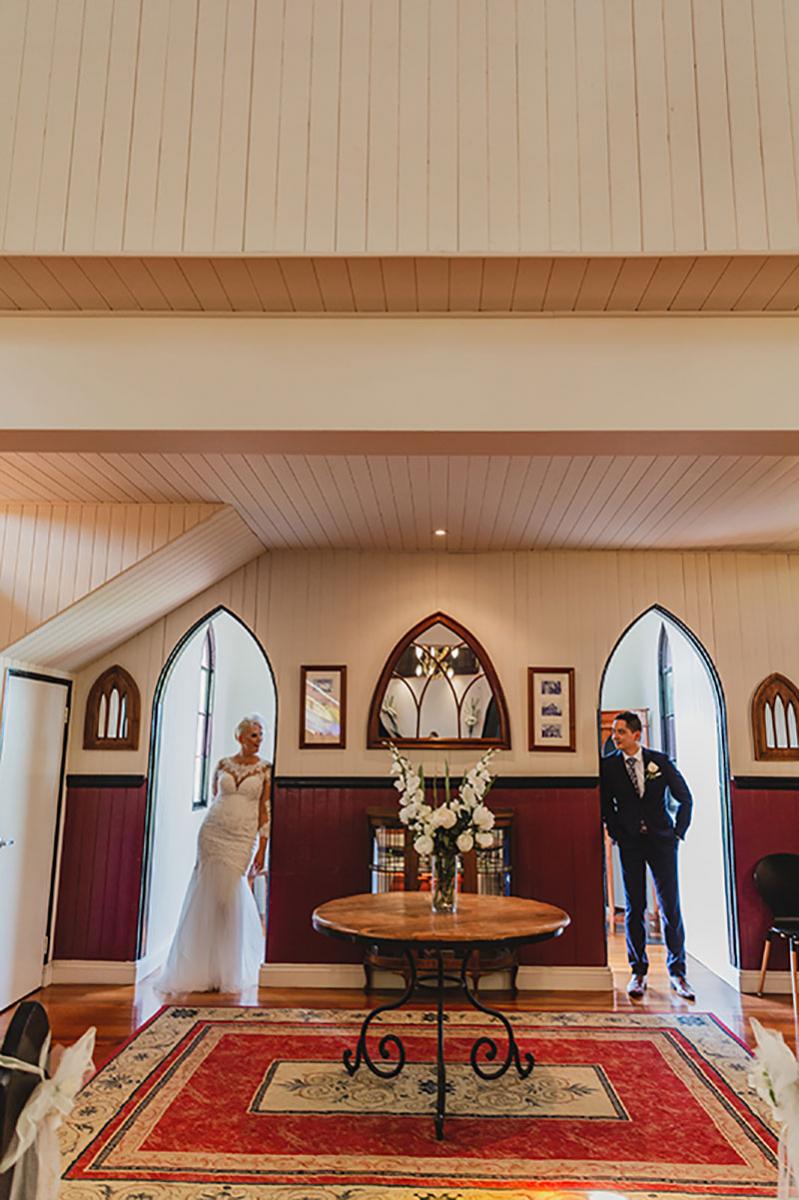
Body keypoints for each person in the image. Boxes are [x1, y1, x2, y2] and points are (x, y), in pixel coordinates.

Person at [158, 714, 271, 994]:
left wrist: (263, 849)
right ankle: (200, 968)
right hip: (212, 833)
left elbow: (264, 810)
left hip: (242, 837)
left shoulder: (266, 769)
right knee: (205, 895)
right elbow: (215, 796)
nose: (258, 740)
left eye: (260, 735)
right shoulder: (222, 764)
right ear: (240, 737)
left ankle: (229, 969)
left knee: (231, 895)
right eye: (254, 735)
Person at [600, 711, 695, 1001]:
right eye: (614, 732)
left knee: (670, 906)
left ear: (636, 735)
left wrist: (678, 832)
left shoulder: (660, 761)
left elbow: (685, 798)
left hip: (663, 841)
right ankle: (637, 972)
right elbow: (606, 806)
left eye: (621, 732)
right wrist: (617, 832)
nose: (615, 736)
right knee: (634, 906)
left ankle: (678, 972)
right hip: (630, 843)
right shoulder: (609, 766)